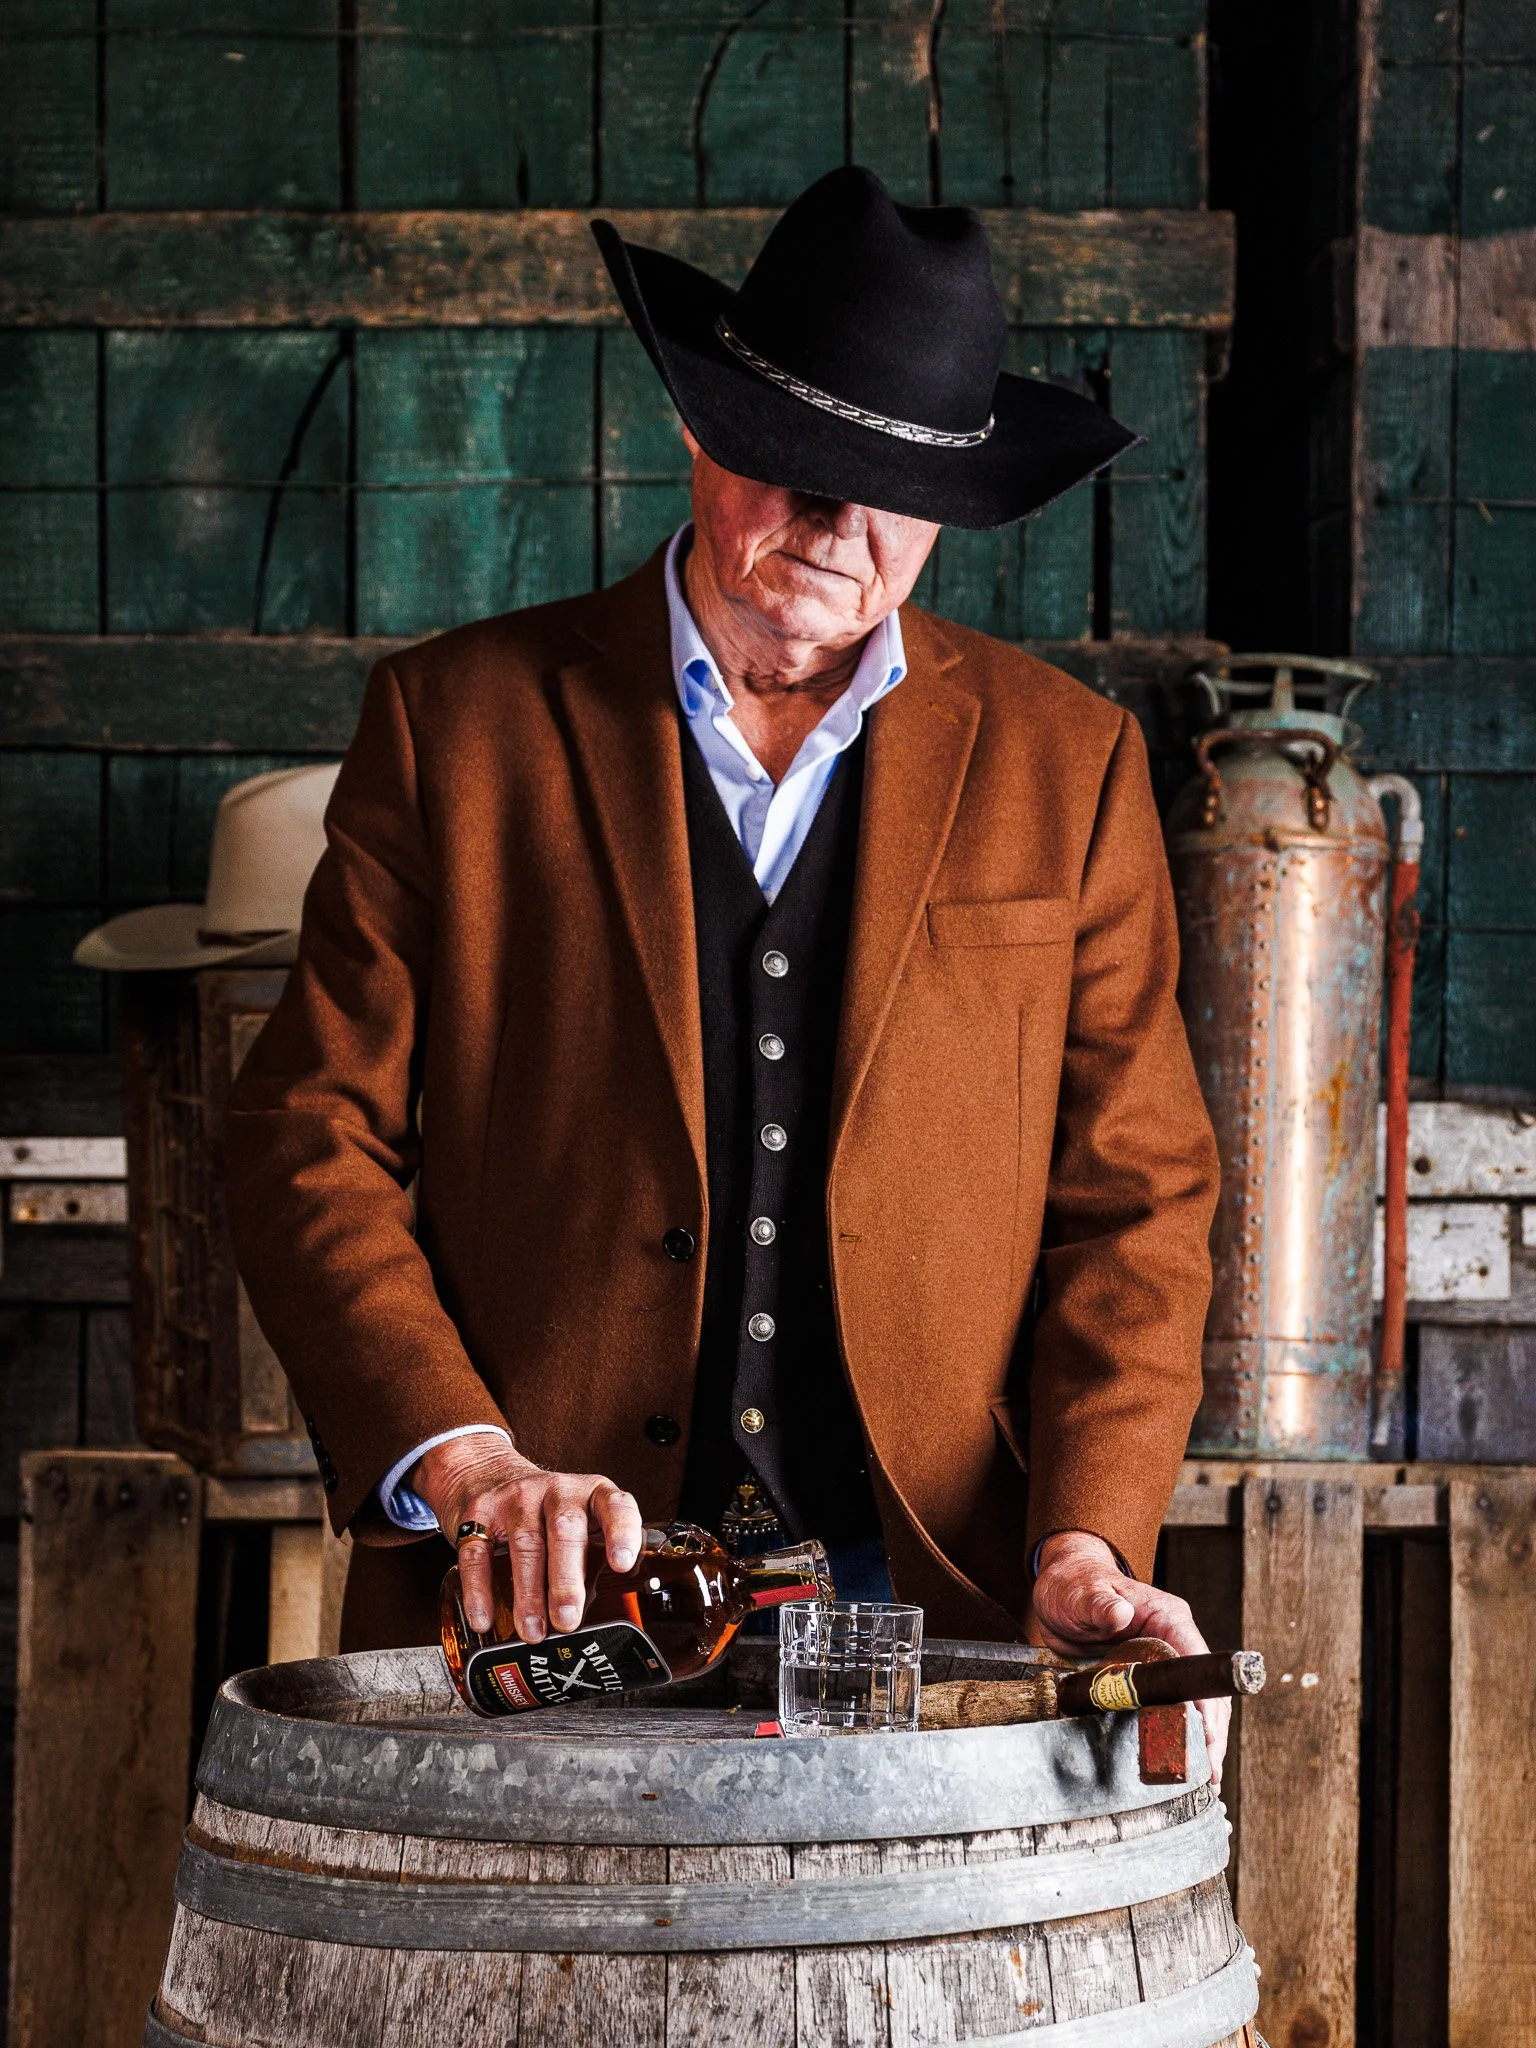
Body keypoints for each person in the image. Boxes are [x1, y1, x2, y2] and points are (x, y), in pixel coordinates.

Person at [226, 166, 1229, 1777]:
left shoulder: (1076, 767)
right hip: (535, 1593)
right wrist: (473, 1466)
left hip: (923, 1590)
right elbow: (303, 1138)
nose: (839, 527)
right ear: (701, 429)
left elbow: (1140, 1198)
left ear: (952, 501)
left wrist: (1086, 1540)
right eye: (800, 467)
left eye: (890, 485)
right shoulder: (457, 728)